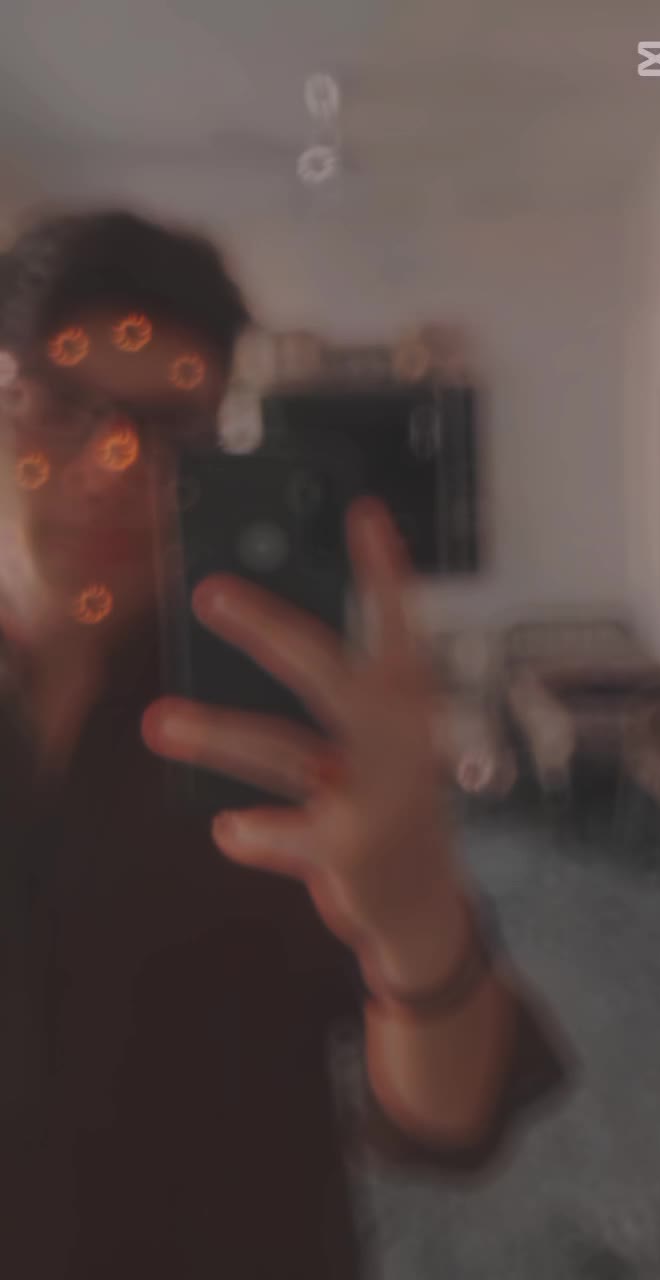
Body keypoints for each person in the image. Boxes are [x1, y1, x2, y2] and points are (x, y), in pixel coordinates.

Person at [0, 210, 572, 1279]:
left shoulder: (287, 730)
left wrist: (414, 915)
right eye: (63, 406)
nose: (115, 466)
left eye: (170, 425)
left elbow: (452, 1117)